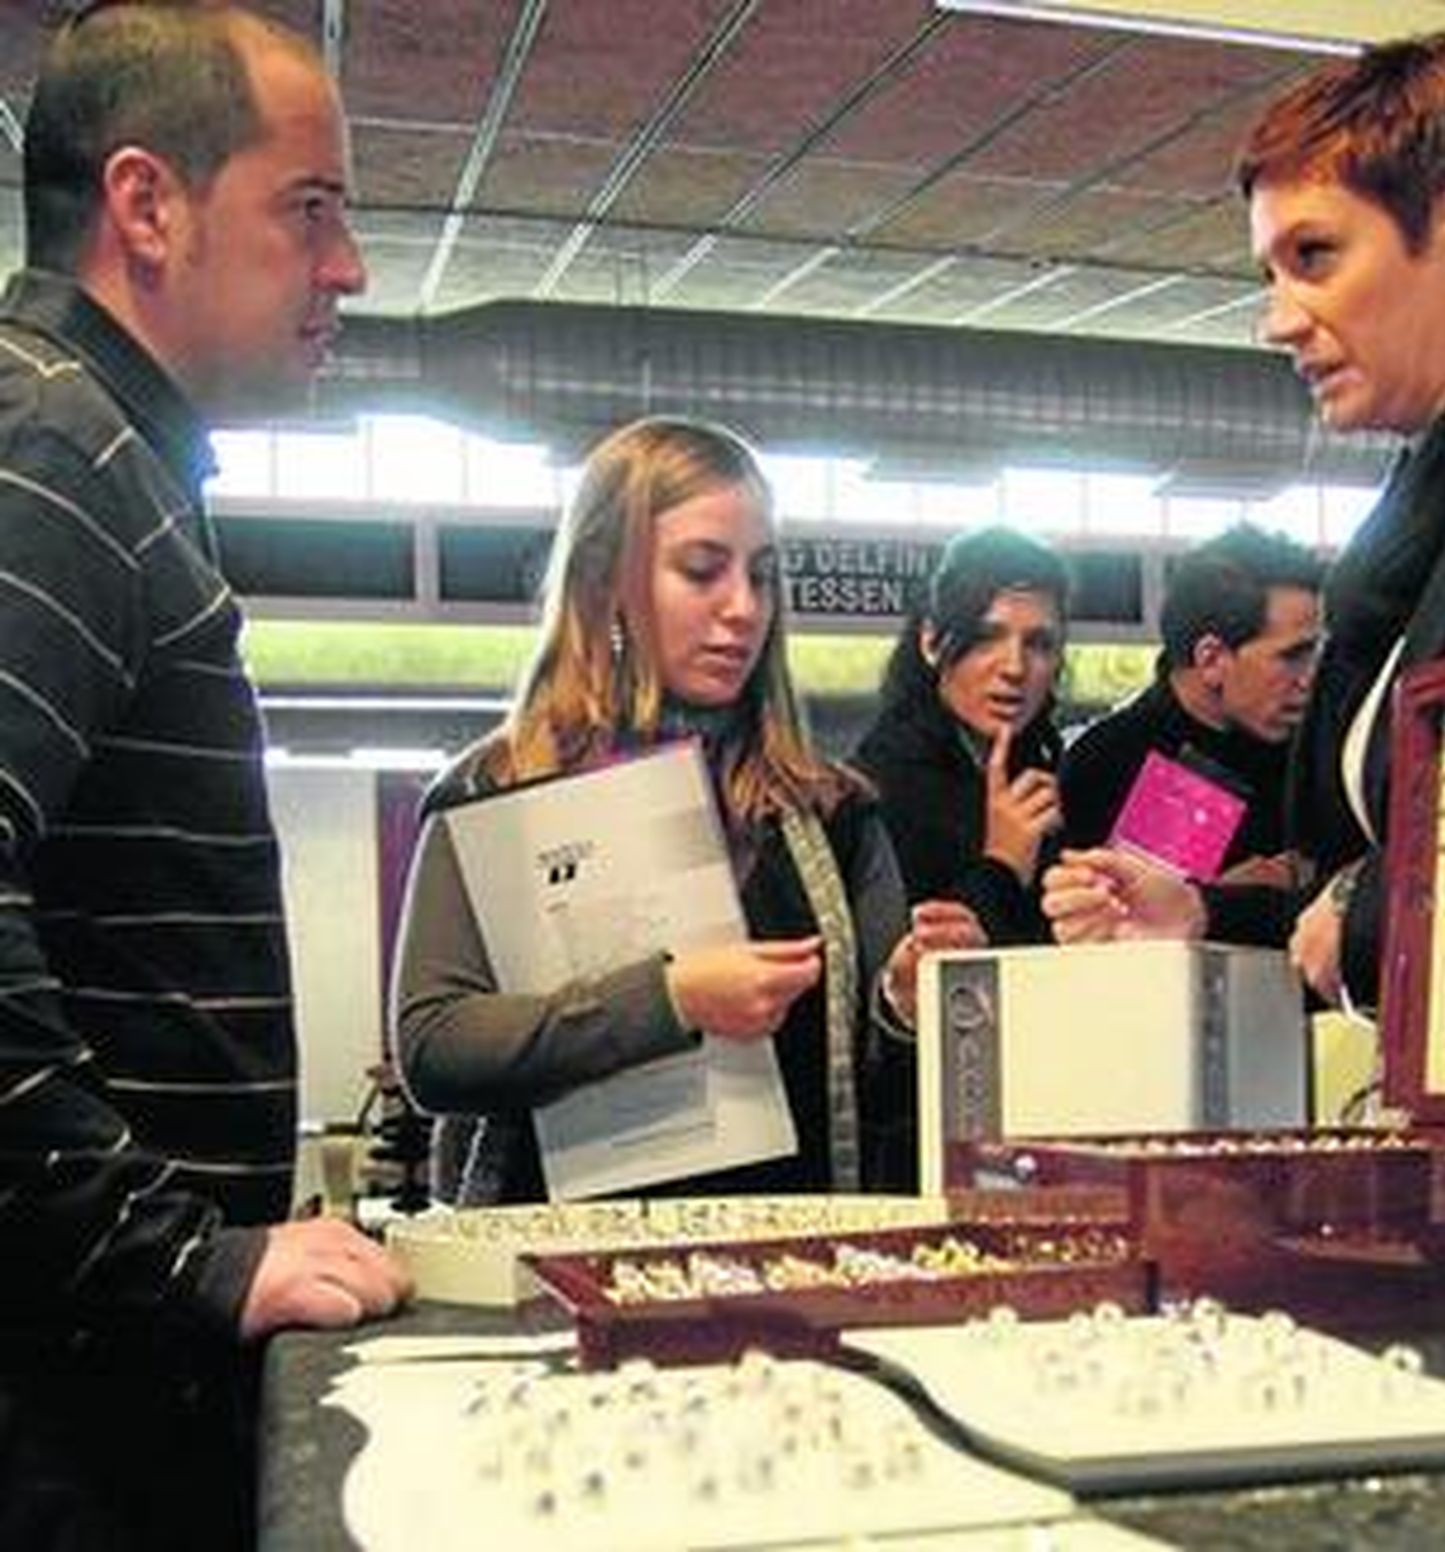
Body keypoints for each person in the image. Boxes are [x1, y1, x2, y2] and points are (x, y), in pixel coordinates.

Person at [0, 7, 411, 1548]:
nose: (348, 268)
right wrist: (179, 1256)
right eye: (310, 209)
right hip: (65, 1404)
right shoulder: (59, 453)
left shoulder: (99, 451)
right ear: (147, 206)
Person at [1043, 30, 1445, 1015]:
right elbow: (1357, 889)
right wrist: (1204, 913)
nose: (1279, 319)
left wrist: (1364, 918)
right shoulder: (1425, 530)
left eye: (1315, 256)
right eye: (1271, 273)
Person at [392, 416, 981, 1203]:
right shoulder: (500, 790)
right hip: (550, 1278)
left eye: (763, 576)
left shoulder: (831, 813)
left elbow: (876, 1090)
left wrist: (908, 1004)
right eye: (703, 571)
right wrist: (669, 999)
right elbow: (434, 1047)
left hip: (781, 1269)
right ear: (605, 580)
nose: (743, 608)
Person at [1055, 524, 1323, 942]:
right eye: (1291, 658)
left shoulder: (1312, 752)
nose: (1309, 680)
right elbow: (1101, 939)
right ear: (1212, 658)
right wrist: (1218, 901)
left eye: (1313, 656)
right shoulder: (1110, 762)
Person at [851, 526, 1068, 945]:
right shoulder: (876, 790)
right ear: (932, 642)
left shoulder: (1050, 779)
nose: (1015, 667)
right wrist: (1002, 865)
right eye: (987, 637)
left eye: (1039, 644)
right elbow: (902, 973)